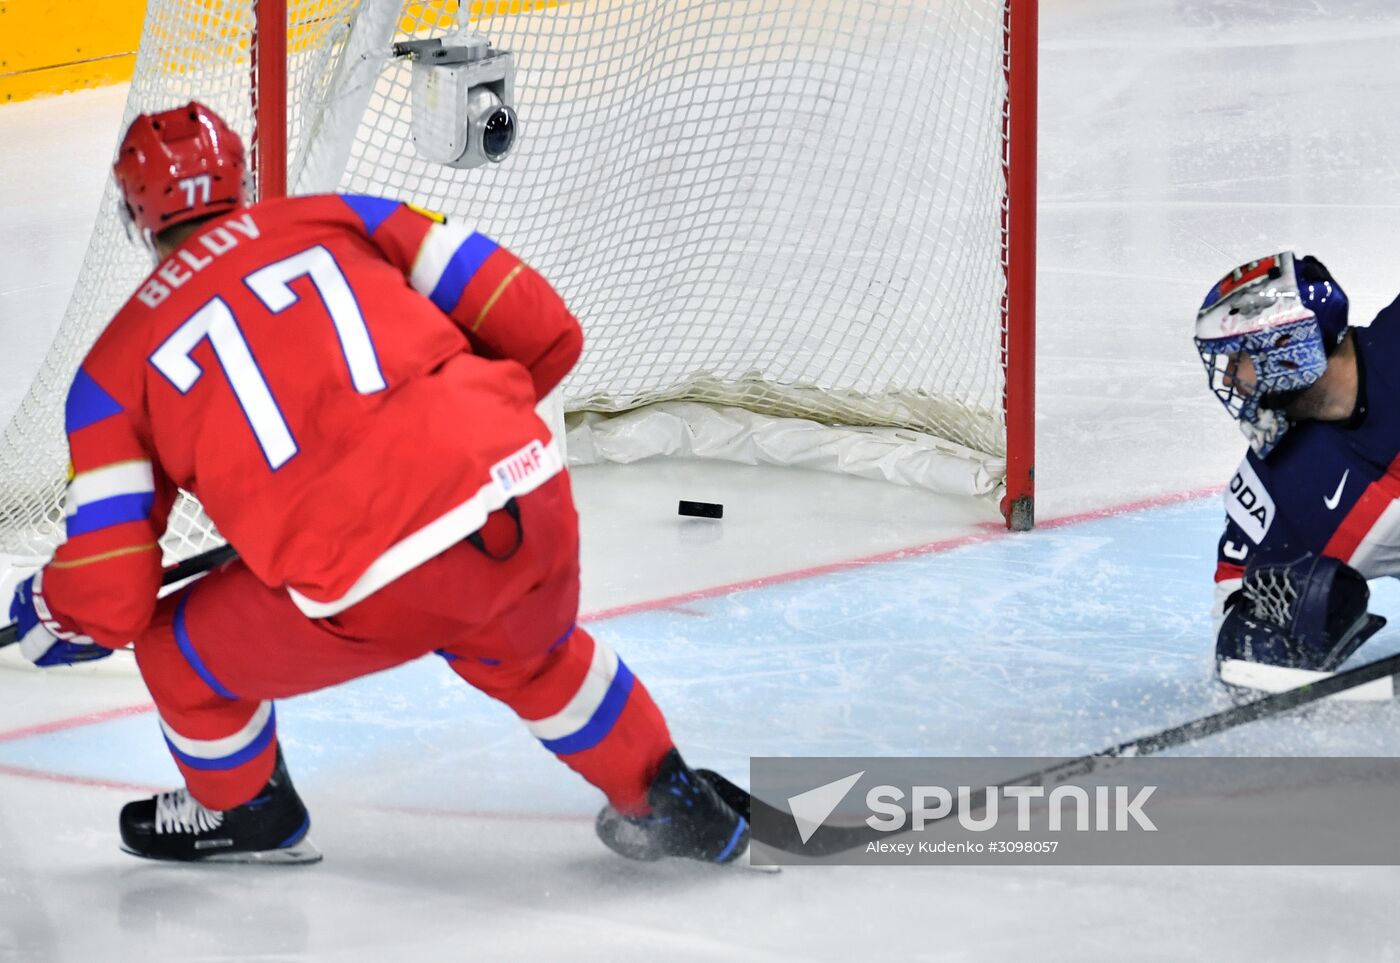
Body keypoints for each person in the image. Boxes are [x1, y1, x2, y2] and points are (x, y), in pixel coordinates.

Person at [7, 102, 749, 866]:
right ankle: (664, 794)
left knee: (174, 646)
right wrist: (461, 443)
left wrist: (47, 613)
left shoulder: (111, 371)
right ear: (241, 175)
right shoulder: (341, 216)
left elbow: (111, 593)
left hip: (374, 583)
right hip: (525, 499)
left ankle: (246, 808)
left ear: (136, 215)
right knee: (527, 648)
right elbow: (542, 324)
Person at [1194, 251, 1392, 694]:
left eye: (1239, 357)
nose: (1230, 379)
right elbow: (1239, 655)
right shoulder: (1269, 488)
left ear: (1287, 349)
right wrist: (1258, 645)